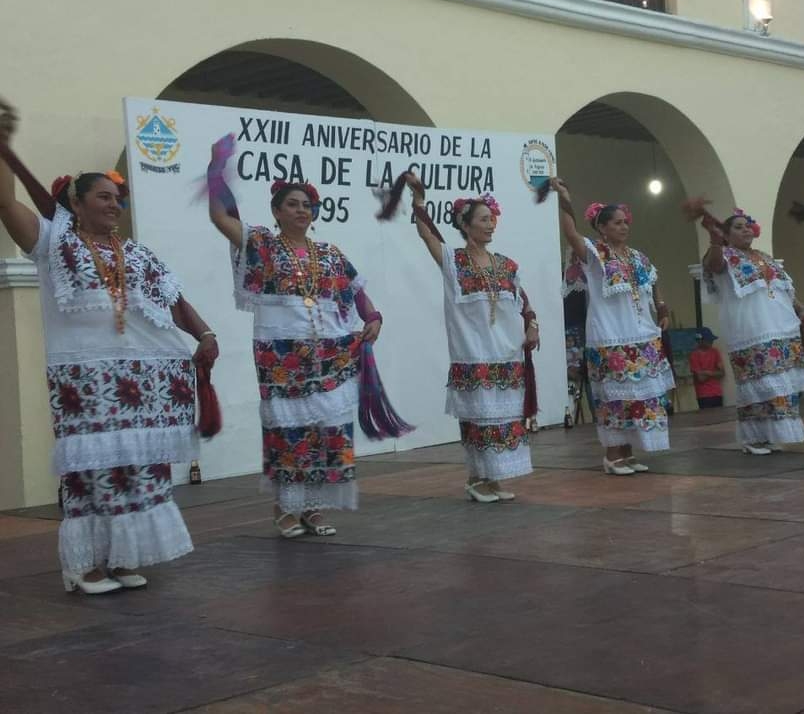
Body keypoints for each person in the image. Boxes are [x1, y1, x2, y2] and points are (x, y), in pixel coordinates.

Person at [0, 98, 218, 594]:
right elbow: (7, 205)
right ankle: (86, 566)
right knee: (92, 468)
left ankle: (122, 558)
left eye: (116, 199)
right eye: (101, 197)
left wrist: (205, 334)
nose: (113, 205)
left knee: (140, 469)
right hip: (88, 378)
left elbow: (174, 300)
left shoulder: (138, 252)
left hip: (147, 380)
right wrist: (5, 151)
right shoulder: (54, 243)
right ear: (74, 204)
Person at [208, 135, 386, 537]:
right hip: (282, 352)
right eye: (292, 204)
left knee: (328, 428)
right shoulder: (262, 245)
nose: (301, 210)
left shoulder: (330, 252)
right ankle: (284, 509)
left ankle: (315, 508)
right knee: (289, 430)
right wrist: (215, 172)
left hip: (331, 350)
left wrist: (373, 316)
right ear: (275, 210)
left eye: (307, 205)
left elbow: (355, 290)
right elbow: (221, 219)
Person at [405, 174, 537, 502]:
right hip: (473, 352)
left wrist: (532, 325)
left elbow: (523, 299)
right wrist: (419, 200)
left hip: (506, 353)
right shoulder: (454, 261)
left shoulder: (506, 264)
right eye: (483, 220)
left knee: (504, 419)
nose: (490, 225)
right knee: (479, 419)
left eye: (492, 219)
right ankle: (476, 479)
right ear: (466, 225)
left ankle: (492, 479)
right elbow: (425, 233)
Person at [551, 179, 674, 475]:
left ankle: (629, 453)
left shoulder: (638, 257)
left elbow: (654, 285)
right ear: (602, 227)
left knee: (639, 398)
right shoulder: (595, 255)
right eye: (616, 223)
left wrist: (661, 309)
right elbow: (571, 233)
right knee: (614, 398)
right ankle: (613, 455)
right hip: (610, 336)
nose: (624, 227)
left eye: (625, 222)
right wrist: (565, 201)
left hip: (643, 336)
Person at [699, 207, 804, 455]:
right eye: (738, 227)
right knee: (759, 384)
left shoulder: (764, 256)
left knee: (780, 383)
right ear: (726, 234)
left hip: (781, 326)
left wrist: (799, 307)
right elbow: (714, 266)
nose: (746, 229)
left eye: (747, 225)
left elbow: (782, 288)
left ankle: (769, 435)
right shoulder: (723, 255)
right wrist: (715, 241)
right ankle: (752, 438)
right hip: (751, 329)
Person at [688, 328, 725, 409]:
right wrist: (714, 373)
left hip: (717, 393)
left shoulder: (715, 351)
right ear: (700, 340)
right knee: (706, 419)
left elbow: (722, 373)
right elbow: (700, 378)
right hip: (703, 395)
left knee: (720, 419)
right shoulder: (694, 355)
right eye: (709, 340)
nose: (711, 342)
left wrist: (707, 372)